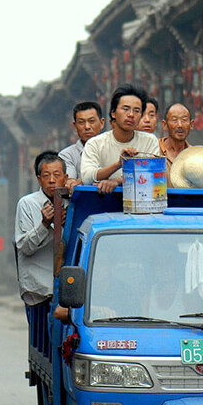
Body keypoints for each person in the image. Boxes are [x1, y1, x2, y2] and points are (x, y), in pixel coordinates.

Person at [15, 151, 69, 327]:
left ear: (65, 177)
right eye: (46, 176)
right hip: (39, 292)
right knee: (43, 346)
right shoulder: (27, 204)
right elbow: (24, 247)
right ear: (39, 180)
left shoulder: (71, 203)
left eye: (57, 175)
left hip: (68, 293)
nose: (52, 180)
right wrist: (44, 224)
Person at [79, 83, 161, 193]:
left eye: (136, 111)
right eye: (125, 109)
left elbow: (153, 174)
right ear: (113, 113)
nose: (131, 115)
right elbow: (87, 177)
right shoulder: (95, 143)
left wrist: (118, 181)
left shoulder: (150, 141)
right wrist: (118, 164)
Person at [59, 101, 104, 188]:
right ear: (75, 126)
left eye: (91, 121)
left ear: (102, 123)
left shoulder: (113, 147)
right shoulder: (67, 155)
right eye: (81, 122)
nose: (87, 127)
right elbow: (71, 182)